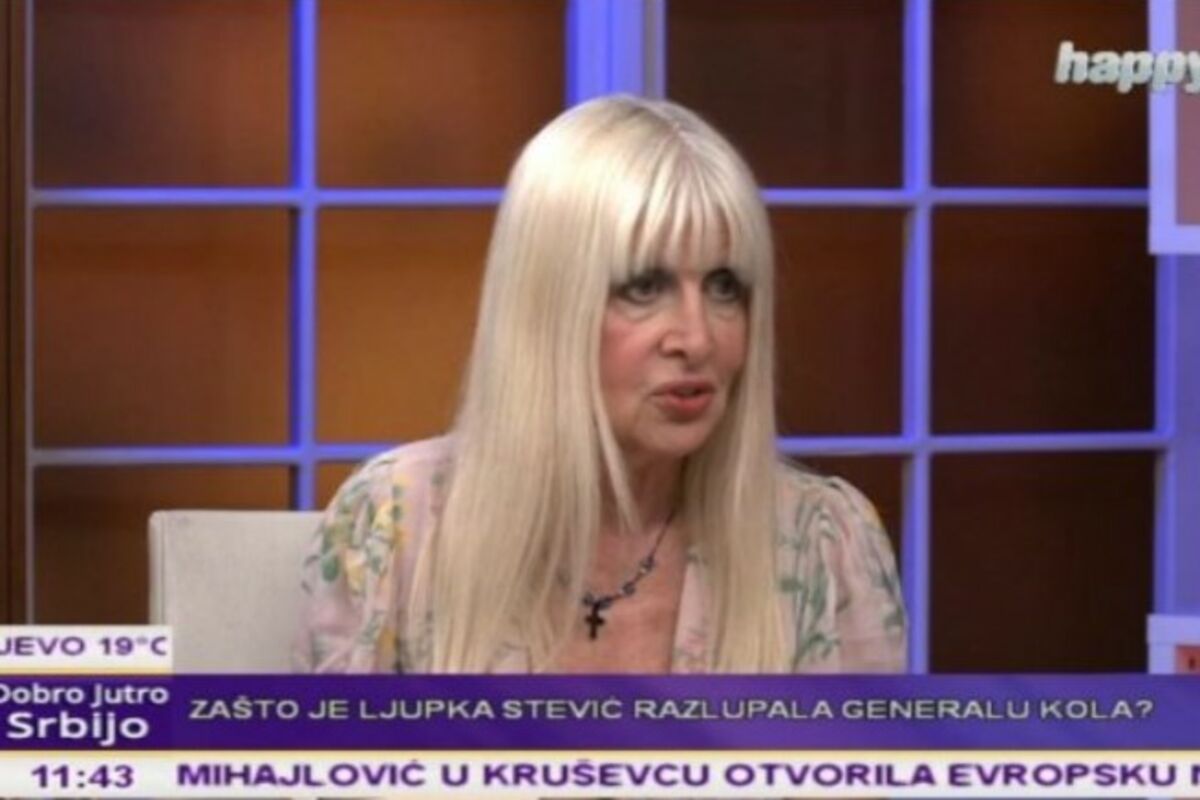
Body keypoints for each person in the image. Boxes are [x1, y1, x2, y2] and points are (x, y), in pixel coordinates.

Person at [295, 94, 906, 676]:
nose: (697, 339)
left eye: (724, 288)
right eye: (644, 287)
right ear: (548, 307)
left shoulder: (824, 545)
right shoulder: (397, 528)